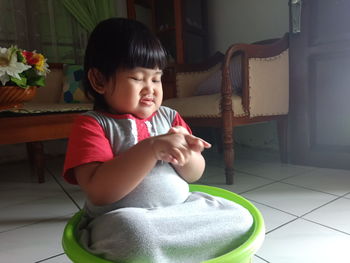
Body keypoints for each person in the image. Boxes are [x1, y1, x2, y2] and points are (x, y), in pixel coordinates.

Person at [63, 18, 253, 263]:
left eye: (155, 79)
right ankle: (175, 251)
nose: (150, 89)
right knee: (135, 236)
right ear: (99, 80)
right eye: (137, 78)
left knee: (241, 216)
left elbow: (193, 175)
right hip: (122, 218)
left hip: (178, 211)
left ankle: (175, 253)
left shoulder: (170, 117)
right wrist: (150, 148)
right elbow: (100, 193)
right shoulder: (93, 125)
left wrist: (190, 156)